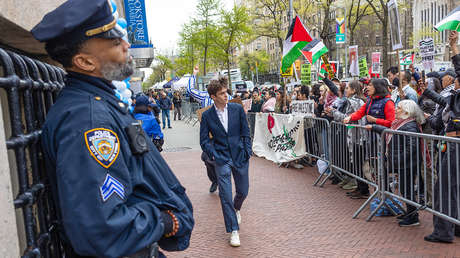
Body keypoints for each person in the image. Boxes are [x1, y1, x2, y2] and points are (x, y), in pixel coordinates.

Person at [32, 0, 194, 257]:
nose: (127, 45)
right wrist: (164, 221)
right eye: (116, 42)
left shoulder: (100, 104)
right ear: (85, 62)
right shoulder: (89, 120)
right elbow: (102, 228)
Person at [200, 76, 252, 247]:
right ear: (213, 96)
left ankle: (236, 209)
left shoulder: (237, 109)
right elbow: (204, 141)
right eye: (222, 93)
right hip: (221, 158)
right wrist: (213, 154)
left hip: (240, 155)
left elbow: (246, 132)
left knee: (243, 191)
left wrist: (247, 150)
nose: (226, 96)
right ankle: (233, 230)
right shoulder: (207, 115)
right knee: (225, 194)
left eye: (226, 92)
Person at [366, 100, 427, 226]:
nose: (395, 109)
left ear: (406, 111)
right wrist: (374, 127)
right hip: (404, 163)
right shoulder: (401, 123)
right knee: (405, 190)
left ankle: (413, 216)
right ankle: (410, 212)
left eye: (398, 108)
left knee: (407, 190)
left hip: (408, 164)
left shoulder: (409, 125)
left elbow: (412, 147)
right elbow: (389, 131)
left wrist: (398, 159)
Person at [424, 30, 460, 243]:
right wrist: (426, 92)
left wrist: (454, 46)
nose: (455, 80)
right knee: (453, 186)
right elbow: (443, 103)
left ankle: (443, 231)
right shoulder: (454, 97)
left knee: (444, 187)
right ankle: (454, 225)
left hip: (455, 144)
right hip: (452, 143)